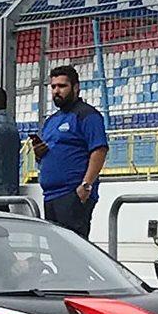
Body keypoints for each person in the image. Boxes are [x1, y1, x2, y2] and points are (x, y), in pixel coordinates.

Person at [33, 65, 109, 238]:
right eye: (53, 87)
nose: (56, 91)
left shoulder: (87, 115)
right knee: (55, 251)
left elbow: (99, 150)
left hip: (72, 194)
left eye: (62, 86)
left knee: (72, 253)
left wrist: (86, 185)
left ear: (75, 88)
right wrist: (39, 153)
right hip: (51, 195)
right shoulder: (51, 121)